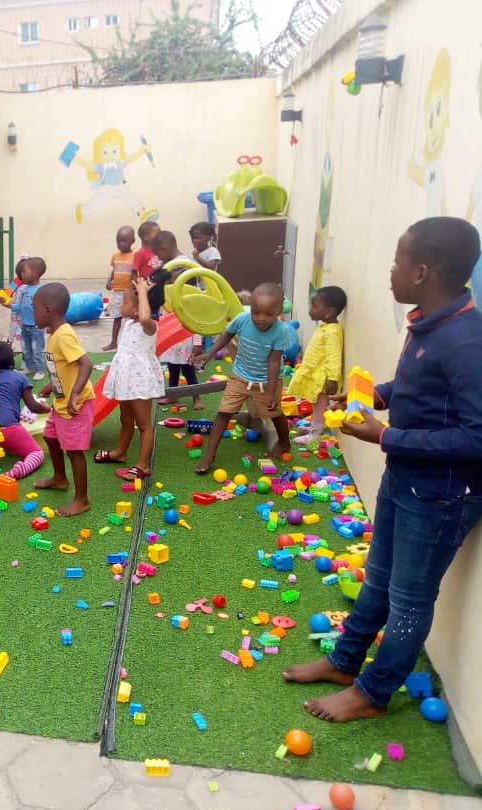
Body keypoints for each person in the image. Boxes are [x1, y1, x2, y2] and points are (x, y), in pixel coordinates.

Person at [283, 217, 482, 723]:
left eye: (397, 261)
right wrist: (375, 396)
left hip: (440, 495)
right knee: (376, 579)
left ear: (421, 272)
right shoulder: (431, 322)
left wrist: (384, 436)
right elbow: (421, 387)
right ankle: (345, 662)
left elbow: (476, 437)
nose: (390, 271)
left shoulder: (466, 341)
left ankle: (373, 694)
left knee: (410, 599)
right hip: (406, 478)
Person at [191, 282, 293, 473]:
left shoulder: (282, 331)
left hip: (265, 382)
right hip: (240, 376)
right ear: (250, 307)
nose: (260, 318)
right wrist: (210, 353)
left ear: (279, 312)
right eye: (256, 312)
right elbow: (226, 335)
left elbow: (274, 362)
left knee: (275, 413)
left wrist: (271, 392)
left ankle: (284, 443)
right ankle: (209, 456)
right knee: (223, 413)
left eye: (268, 314)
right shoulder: (242, 319)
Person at [32, 283, 95, 517]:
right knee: (50, 437)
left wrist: (75, 393)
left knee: (74, 451)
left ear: (47, 310)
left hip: (75, 404)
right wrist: (51, 386)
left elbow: (86, 364)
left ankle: (82, 499)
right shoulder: (54, 334)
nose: (32, 313)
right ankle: (60, 478)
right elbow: (63, 367)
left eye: (34, 308)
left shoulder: (64, 336)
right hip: (61, 402)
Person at [95, 277, 164, 480]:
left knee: (143, 424)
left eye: (125, 302)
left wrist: (142, 292)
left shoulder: (149, 325)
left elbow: (145, 317)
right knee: (125, 419)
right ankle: (120, 452)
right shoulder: (129, 324)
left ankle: (142, 465)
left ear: (137, 308)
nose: (121, 305)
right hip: (126, 380)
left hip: (140, 383)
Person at [0, 342, 50, 479]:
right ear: (12, 359)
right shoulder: (20, 378)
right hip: (6, 429)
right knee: (37, 453)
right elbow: (33, 406)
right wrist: (47, 408)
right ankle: (18, 471)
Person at [289, 285, 347, 444]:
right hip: (318, 376)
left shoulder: (332, 331)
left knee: (320, 405)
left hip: (324, 379)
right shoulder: (325, 326)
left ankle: (314, 436)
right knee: (317, 405)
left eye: (314, 306)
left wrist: (332, 379)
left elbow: (334, 356)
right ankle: (316, 427)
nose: (310, 310)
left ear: (330, 311)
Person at [153, 230, 204, 410]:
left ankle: (196, 397)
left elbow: (197, 313)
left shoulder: (184, 266)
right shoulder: (170, 265)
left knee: (188, 368)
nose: (158, 258)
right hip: (172, 330)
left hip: (185, 331)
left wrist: (197, 342)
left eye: (158, 253)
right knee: (172, 366)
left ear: (165, 248)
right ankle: (172, 394)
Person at [11, 257, 47, 381]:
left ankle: (40, 370)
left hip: (36, 326)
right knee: (25, 347)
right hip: (25, 325)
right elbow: (20, 306)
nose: (21, 274)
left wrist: (46, 323)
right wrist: (8, 305)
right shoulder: (24, 290)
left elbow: (45, 309)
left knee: (37, 348)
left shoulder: (40, 290)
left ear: (34, 273)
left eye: (24, 271)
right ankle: (30, 367)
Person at [103, 225, 136, 351]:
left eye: (124, 241)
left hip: (129, 292)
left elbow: (135, 273)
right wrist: (109, 280)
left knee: (132, 318)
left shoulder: (135, 256)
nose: (121, 244)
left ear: (132, 241)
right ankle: (113, 341)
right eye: (118, 241)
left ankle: (131, 343)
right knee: (116, 317)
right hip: (117, 291)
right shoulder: (115, 256)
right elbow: (114, 270)